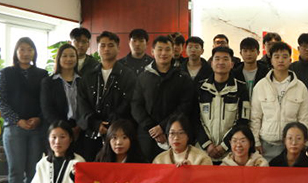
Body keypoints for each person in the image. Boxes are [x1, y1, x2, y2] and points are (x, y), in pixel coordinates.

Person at [0, 37, 49, 183]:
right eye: (22, 49)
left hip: (36, 129)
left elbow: (46, 101)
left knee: (33, 172)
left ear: (34, 52)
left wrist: (39, 118)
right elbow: (1, 101)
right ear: (16, 52)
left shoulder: (42, 74)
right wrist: (17, 120)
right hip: (14, 129)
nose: (26, 53)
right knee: (16, 173)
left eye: (29, 49)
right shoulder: (6, 73)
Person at [132, 35, 195, 161]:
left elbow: (185, 106)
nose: (163, 53)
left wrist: (163, 127)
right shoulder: (143, 77)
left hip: (174, 133)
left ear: (173, 51)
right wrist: (152, 128)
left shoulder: (183, 77)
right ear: (152, 51)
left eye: (167, 49)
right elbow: (136, 105)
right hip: (147, 134)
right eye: (160, 49)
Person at [77, 31, 136, 162]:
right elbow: (82, 102)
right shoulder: (88, 75)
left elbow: (128, 102)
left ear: (118, 48)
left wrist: (110, 125)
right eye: (102, 45)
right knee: (92, 169)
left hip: (118, 134)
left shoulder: (128, 75)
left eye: (110, 45)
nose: (106, 49)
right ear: (97, 48)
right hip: (91, 132)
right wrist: (96, 124)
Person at [250, 41, 308, 161]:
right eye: (276, 57)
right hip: (266, 144)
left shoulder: (300, 87)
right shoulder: (261, 86)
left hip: (291, 145)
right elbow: (255, 117)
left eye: (284, 57)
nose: (280, 60)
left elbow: (304, 118)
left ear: (290, 60)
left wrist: (305, 142)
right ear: (271, 60)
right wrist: (255, 141)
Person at [196, 46, 250, 165]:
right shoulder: (201, 88)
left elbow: (243, 121)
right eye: (217, 59)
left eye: (225, 59)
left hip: (231, 153)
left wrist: (224, 146)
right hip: (203, 152)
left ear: (232, 64)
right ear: (211, 63)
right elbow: (194, 119)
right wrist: (207, 145)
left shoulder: (240, 88)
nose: (221, 62)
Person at [40, 44, 81, 140]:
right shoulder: (48, 82)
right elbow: (47, 109)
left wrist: (79, 126)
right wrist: (64, 129)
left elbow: (87, 106)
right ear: (58, 58)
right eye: (64, 56)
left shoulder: (83, 81)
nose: (68, 59)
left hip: (79, 129)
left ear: (76, 58)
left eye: (72, 56)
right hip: (56, 129)